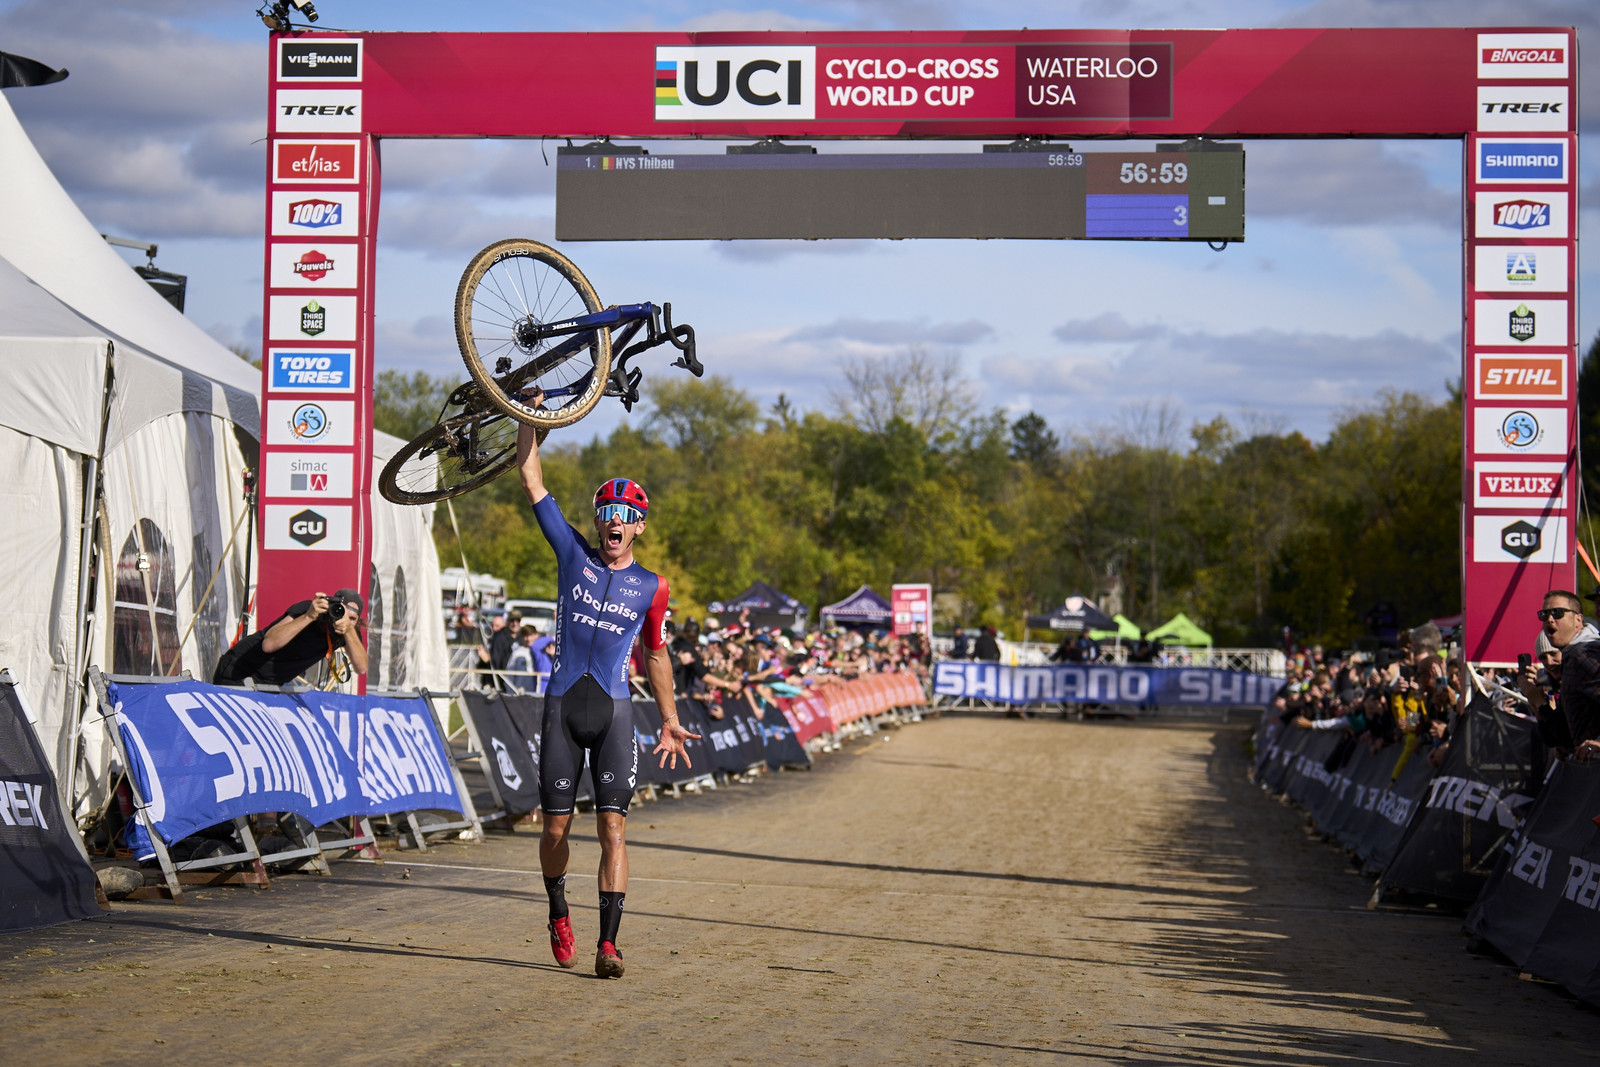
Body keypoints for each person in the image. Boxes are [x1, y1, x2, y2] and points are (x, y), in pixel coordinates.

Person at [515, 413, 699, 979]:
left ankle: (610, 944)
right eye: (609, 513)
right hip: (564, 708)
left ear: (639, 527)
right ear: (598, 521)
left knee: (614, 827)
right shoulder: (572, 553)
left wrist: (668, 718)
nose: (616, 522)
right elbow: (532, 480)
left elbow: (658, 654)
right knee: (555, 830)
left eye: (628, 515)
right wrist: (527, 414)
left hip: (616, 712)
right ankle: (557, 910)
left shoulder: (653, 587)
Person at [213, 589, 367, 686]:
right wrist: (309, 617)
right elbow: (269, 644)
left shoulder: (349, 630)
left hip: (268, 683)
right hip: (240, 670)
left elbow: (361, 667)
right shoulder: (310, 610)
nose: (342, 619)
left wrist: (349, 630)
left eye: (352, 618)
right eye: (341, 612)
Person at [1526, 590, 1600, 758]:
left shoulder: (1583, 655)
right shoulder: (1573, 657)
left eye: (1558, 613)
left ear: (1578, 620)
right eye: (1544, 614)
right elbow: (1564, 735)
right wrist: (1540, 705)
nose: (1550, 619)